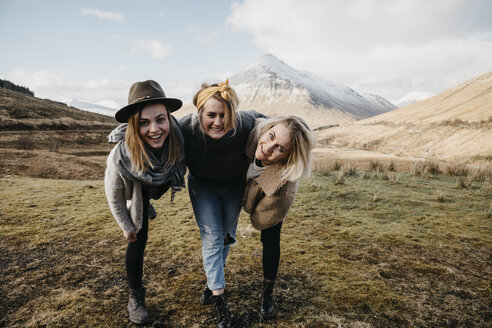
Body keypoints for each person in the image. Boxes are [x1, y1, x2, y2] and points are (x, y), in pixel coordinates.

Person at [179, 79, 264, 328]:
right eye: (211, 115)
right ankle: (219, 300)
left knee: (226, 236)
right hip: (202, 186)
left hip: (232, 187)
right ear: (200, 113)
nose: (218, 122)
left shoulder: (246, 122)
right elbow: (158, 131)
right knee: (212, 237)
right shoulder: (185, 127)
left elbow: (277, 127)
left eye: (224, 115)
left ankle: (210, 282)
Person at [104, 80, 185, 325]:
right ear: (133, 125)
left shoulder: (179, 137)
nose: (154, 129)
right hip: (136, 192)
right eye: (144, 123)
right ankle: (136, 297)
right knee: (137, 238)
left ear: (169, 119)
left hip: (158, 185)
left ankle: (147, 202)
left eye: (160, 120)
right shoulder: (120, 159)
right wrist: (127, 226)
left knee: (150, 196)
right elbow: (114, 196)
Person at [242, 116, 315, 319]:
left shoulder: (283, 188)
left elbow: (261, 218)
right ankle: (214, 281)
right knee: (220, 229)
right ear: (267, 128)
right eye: (271, 136)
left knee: (271, 238)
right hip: (232, 185)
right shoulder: (248, 134)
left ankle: (267, 292)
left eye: (280, 149)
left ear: (288, 156)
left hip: (269, 199)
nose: (268, 148)